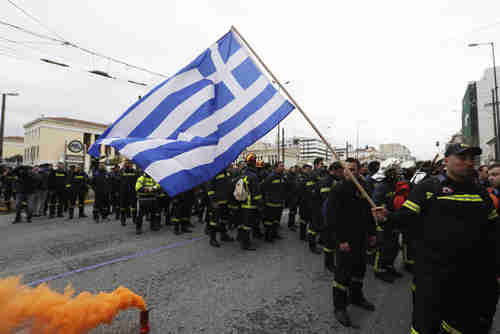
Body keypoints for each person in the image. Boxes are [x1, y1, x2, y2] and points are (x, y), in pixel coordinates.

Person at [373, 143, 500, 334]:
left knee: (461, 324)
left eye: (471, 159)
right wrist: (387, 217)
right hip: (432, 274)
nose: (468, 163)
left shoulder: (479, 191)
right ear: (446, 161)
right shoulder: (428, 188)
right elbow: (404, 218)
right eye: (462, 158)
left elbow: (494, 231)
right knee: (425, 325)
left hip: (469, 276)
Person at [328, 158, 376, 327]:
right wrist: (340, 240)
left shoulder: (365, 187)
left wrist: (372, 233)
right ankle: (339, 307)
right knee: (343, 274)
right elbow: (332, 218)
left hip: (361, 238)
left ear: (359, 170)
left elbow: (369, 212)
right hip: (345, 240)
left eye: (353, 169)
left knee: (359, 270)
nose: (350, 172)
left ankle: (356, 297)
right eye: (347, 169)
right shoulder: (338, 189)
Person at [261, 162, 286, 242]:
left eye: (283, 166)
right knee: (269, 221)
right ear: (276, 167)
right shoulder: (271, 176)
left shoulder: (281, 176)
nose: (282, 167)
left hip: (279, 202)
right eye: (281, 166)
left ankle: (274, 234)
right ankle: (268, 237)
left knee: (276, 220)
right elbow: (263, 186)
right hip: (271, 203)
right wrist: (269, 196)